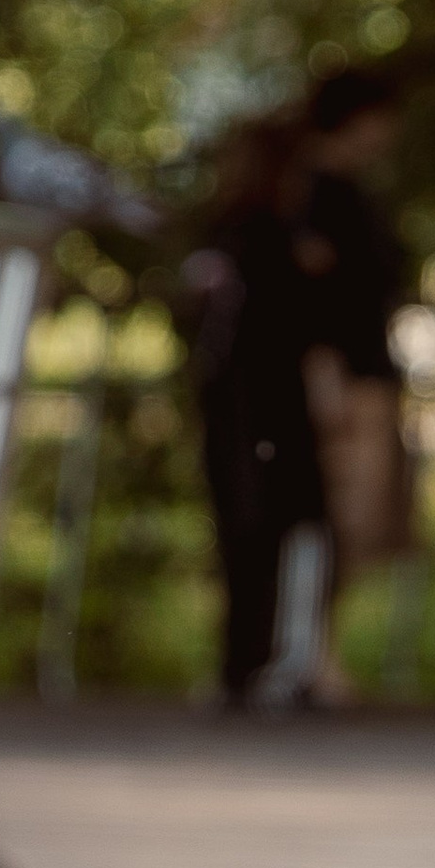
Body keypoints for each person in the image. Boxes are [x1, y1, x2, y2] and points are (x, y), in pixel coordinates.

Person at [184, 105, 332, 708]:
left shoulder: (229, 236)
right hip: (271, 405)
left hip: (233, 405)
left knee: (247, 536)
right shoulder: (275, 239)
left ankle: (244, 663)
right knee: (285, 530)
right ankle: (274, 663)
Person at [297, 69, 411, 688]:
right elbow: (314, 303)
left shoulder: (354, 194)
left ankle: (316, 646)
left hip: (368, 370)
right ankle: (307, 650)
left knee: (359, 520)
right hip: (344, 378)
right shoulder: (314, 197)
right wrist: (324, 376)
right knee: (337, 513)